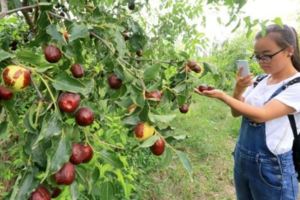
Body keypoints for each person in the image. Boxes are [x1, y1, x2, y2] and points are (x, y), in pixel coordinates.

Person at [195, 24, 300, 200]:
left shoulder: (296, 86)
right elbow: (237, 113)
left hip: (271, 168)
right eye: (257, 56)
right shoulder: (260, 81)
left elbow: (262, 115)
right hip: (243, 160)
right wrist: (238, 89)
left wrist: (222, 96)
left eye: (267, 55)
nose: (261, 61)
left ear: (288, 50)